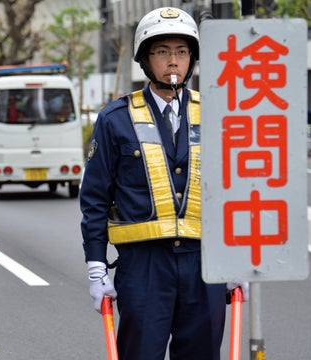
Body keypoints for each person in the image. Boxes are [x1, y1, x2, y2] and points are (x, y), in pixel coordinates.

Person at [79, 7, 248, 360]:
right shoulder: (115, 119)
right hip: (143, 267)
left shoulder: (218, 112)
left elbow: (235, 191)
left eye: (182, 52)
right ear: (145, 59)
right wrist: (96, 267)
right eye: (162, 52)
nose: (173, 61)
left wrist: (238, 257)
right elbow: (94, 199)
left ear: (191, 59)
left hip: (205, 266)